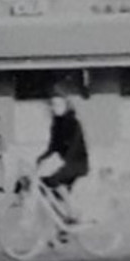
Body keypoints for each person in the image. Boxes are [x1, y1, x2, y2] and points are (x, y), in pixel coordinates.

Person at [36, 84, 90, 223]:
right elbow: (53, 147)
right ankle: (62, 224)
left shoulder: (73, 122)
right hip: (67, 162)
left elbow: (73, 146)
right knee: (45, 184)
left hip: (77, 162)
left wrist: (60, 164)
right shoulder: (56, 124)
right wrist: (41, 158)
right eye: (53, 104)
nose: (56, 107)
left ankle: (73, 213)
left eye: (59, 104)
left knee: (55, 179)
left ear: (66, 104)